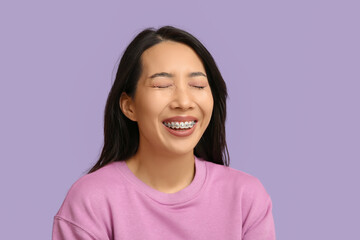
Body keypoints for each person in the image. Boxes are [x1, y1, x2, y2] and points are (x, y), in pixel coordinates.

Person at [52, 26, 276, 240]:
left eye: (197, 85)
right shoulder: (91, 201)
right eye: (162, 85)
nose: (184, 102)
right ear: (129, 106)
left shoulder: (245, 197)